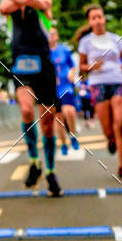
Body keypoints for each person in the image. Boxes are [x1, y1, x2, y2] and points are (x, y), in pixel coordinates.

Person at [0, 0, 62, 197]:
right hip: (20, 65)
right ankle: (34, 162)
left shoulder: (44, 2)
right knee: (26, 110)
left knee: (47, 122)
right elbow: (4, 8)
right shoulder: (10, 5)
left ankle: (51, 172)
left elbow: (41, 1)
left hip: (44, 66)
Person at [77, 4, 122, 182]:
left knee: (119, 124)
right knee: (108, 129)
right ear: (90, 21)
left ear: (104, 18)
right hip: (98, 85)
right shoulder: (85, 42)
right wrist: (91, 67)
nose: (98, 20)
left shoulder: (116, 39)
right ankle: (110, 139)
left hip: (117, 81)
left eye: (100, 17)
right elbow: (81, 68)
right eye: (94, 18)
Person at [49, 27, 80, 155]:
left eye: (53, 34)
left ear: (57, 36)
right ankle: (63, 143)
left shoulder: (64, 50)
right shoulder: (44, 52)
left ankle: (72, 135)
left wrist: (72, 73)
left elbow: (72, 66)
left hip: (66, 86)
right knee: (58, 117)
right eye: (49, 34)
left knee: (70, 111)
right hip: (52, 89)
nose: (51, 36)